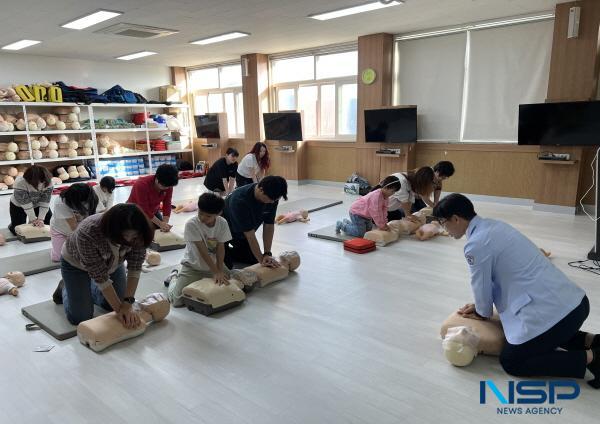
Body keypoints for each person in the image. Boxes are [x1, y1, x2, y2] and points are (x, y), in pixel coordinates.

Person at [433, 193, 600, 387]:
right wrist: (479, 307)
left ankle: (592, 358)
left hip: (559, 314)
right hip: (575, 302)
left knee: (513, 361)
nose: (443, 228)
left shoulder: (475, 244)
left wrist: (481, 311)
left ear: (456, 218)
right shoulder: (495, 225)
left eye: (443, 222)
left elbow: (480, 284)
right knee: (543, 335)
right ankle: (592, 340)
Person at [52, 203, 154, 328]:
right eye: (125, 235)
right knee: (80, 317)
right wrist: (120, 311)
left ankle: (87, 288)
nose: (128, 240)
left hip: (113, 264)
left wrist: (127, 304)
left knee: (111, 304)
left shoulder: (140, 233)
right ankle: (65, 287)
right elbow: (100, 276)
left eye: (133, 236)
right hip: (76, 265)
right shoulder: (88, 232)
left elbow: (135, 267)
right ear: (114, 230)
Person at [166, 192, 232, 307]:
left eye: (208, 216)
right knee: (177, 301)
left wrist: (220, 270)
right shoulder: (192, 224)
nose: (202, 218)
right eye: (200, 213)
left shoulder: (222, 223)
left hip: (214, 265)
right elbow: (203, 251)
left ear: (218, 214)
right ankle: (173, 278)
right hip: (193, 266)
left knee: (232, 284)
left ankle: (214, 274)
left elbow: (221, 248)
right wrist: (216, 272)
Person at [222, 175, 287, 269]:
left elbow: (269, 225)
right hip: (222, 235)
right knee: (227, 266)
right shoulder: (240, 200)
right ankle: (213, 251)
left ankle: (229, 252)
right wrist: (262, 260)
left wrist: (267, 254)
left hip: (241, 235)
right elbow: (250, 235)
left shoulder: (272, 197)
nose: (272, 202)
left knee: (253, 260)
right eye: (270, 199)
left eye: (275, 200)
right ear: (261, 190)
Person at [335, 176, 401, 237]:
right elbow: (376, 213)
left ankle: (347, 222)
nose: (393, 193)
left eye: (394, 192)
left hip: (366, 215)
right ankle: (341, 224)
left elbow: (384, 211)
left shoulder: (386, 197)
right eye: (392, 191)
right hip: (357, 213)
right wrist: (381, 225)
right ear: (386, 187)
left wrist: (385, 223)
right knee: (360, 234)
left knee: (368, 231)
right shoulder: (376, 196)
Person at [50, 183, 98, 262]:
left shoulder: (92, 198)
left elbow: (91, 218)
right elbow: (74, 227)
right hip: (60, 229)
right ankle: (57, 248)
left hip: (80, 225)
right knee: (58, 258)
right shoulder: (61, 202)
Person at [127, 164, 178, 232]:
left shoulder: (168, 184)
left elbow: (167, 204)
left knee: (159, 229)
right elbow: (144, 209)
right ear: (157, 178)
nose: (166, 188)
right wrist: (160, 223)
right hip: (135, 211)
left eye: (168, 187)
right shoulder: (141, 185)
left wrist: (164, 223)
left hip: (153, 211)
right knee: (142, 232)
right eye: (164, 186)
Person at [8, 165, 54, 235]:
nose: (40, 185)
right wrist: (33, 219)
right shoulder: (20, 183)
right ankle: (11, 226)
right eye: (37, 182)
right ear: (29, 179)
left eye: (42, 182)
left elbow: (45, 201)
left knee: (48, 225)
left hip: (38, 203)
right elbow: (26, 204)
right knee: (17, 230)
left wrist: (41, 219)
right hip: (19, 205)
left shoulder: (49, 182)